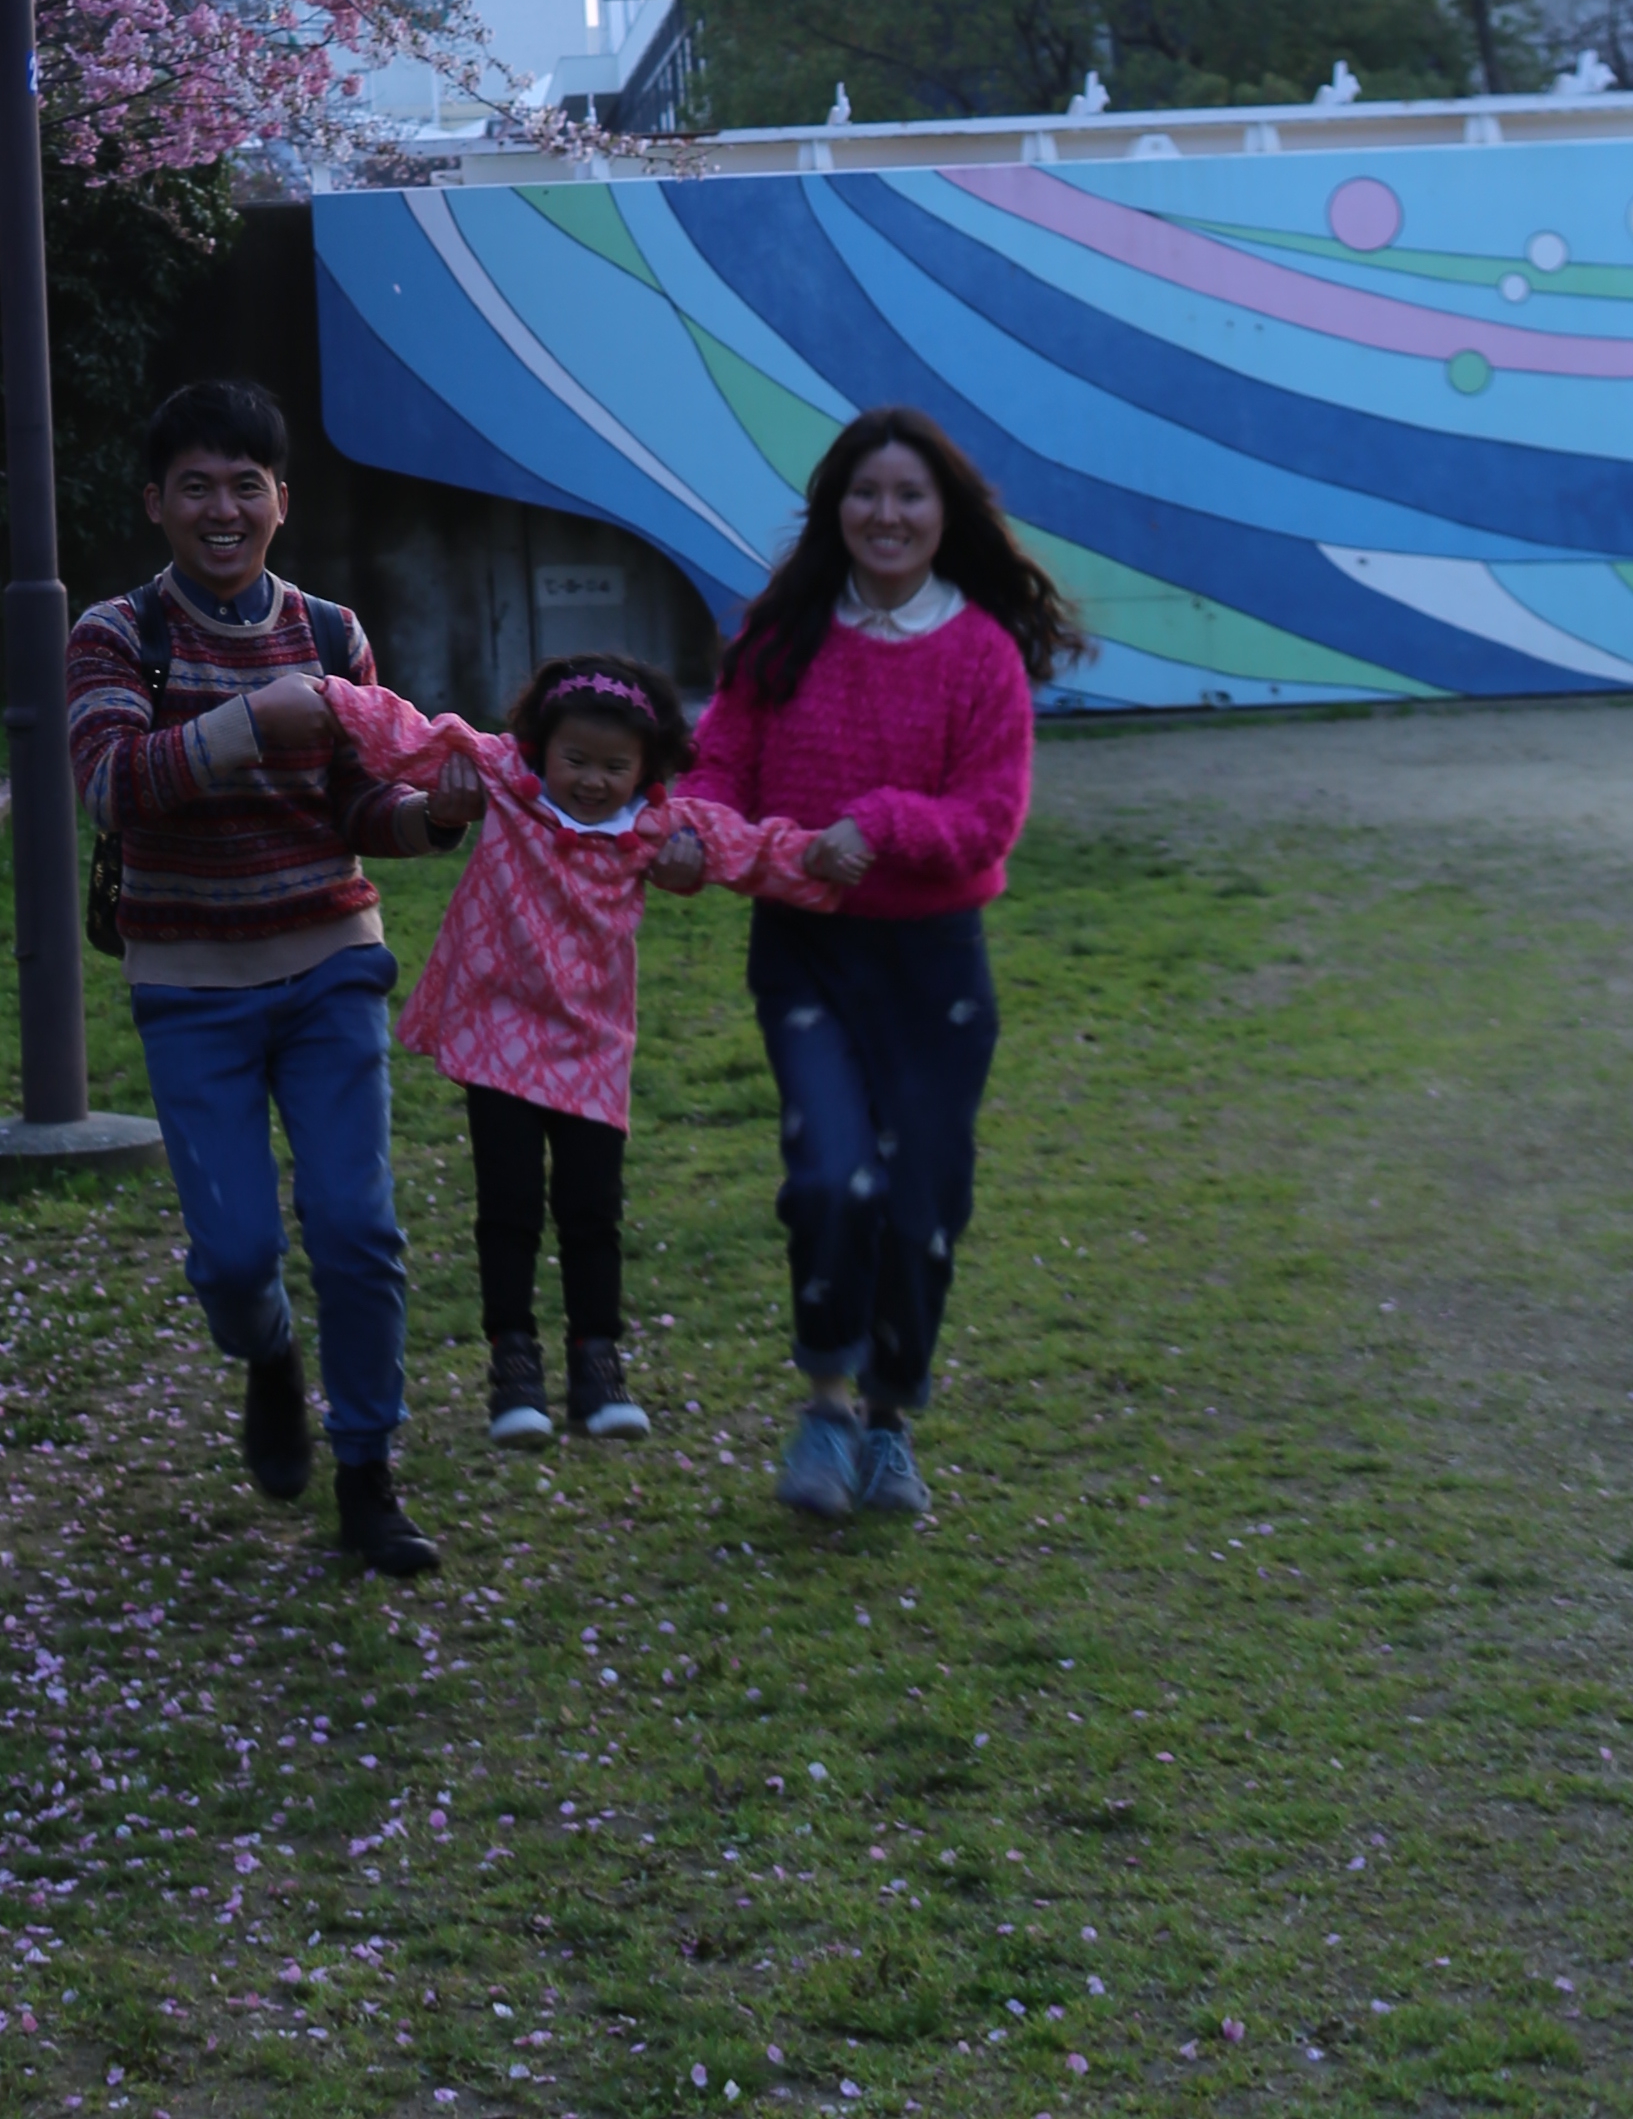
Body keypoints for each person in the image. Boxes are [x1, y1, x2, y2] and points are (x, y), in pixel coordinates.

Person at [64, 376, 469, 1579]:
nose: (224, 508)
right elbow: (108, 782)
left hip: (331, 964)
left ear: (283, 500)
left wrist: (431, 819)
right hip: (188, 985)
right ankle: (271, 1357)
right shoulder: (115, 633)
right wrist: (256, 721)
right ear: (156, 503)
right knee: (236, 1258)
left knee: (357, 1225)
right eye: (198, 486)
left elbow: (354, 802)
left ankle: (369, 1475)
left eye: (248, 485)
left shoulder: (335, 634)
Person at [683, 402, 1091, 1523]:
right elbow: (720, 765)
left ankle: (891, 1423)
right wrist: (689, 832)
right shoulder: (782, 629)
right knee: (831, 1179)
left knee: (919, 1204)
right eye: (867, 493)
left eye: (911, 495)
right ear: (836, 508)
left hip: (934, 969)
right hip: (808, 956)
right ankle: (825, 1406)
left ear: (945, 512)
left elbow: (988, 820)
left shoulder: (981, 654)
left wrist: (883, 825)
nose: (887, 514)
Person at [318, 651, 838, 1448]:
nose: (593, 780)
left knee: (594, 1210)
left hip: (592, 1044)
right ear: (538, 747)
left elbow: (752, 849)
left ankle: (599, 1365)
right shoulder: (502, 782)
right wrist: (322, 695)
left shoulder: (660, 829)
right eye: (576, 760)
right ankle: (513, 1366)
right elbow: (415, 737)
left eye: (615, 766)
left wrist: (826, 860)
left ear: (649, 767)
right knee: (510, 1206)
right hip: (498, 1033)